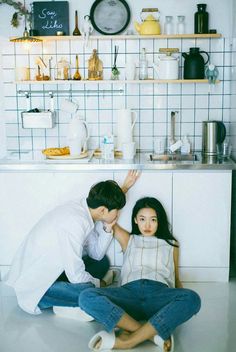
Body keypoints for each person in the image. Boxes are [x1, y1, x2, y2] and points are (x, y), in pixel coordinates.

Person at [4, 171, 140, 319]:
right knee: (89, 290)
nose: (118, 214)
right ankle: (72, 304)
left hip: (59, 271)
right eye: (116, 211)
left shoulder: (86, 211)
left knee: (102, 263)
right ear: (103, 210)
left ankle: (72, 302)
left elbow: (96, 254)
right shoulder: (75, 221)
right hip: (38, 286)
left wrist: (108, 228)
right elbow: (75, 275)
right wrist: (99, 283)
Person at [79, 197, 201, 351]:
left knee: (192, 298)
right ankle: (151, 335)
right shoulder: (128, 239)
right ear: (135, 220)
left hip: (159, 294)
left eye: (153, 220)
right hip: (128, 294)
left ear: (159, 221)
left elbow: (176, 278)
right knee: (86, 296)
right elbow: (106, 215)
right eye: (142, 219)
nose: (147, 225)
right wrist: (124, 188)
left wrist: (182, 301)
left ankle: (127, 341)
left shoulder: (171, 244)